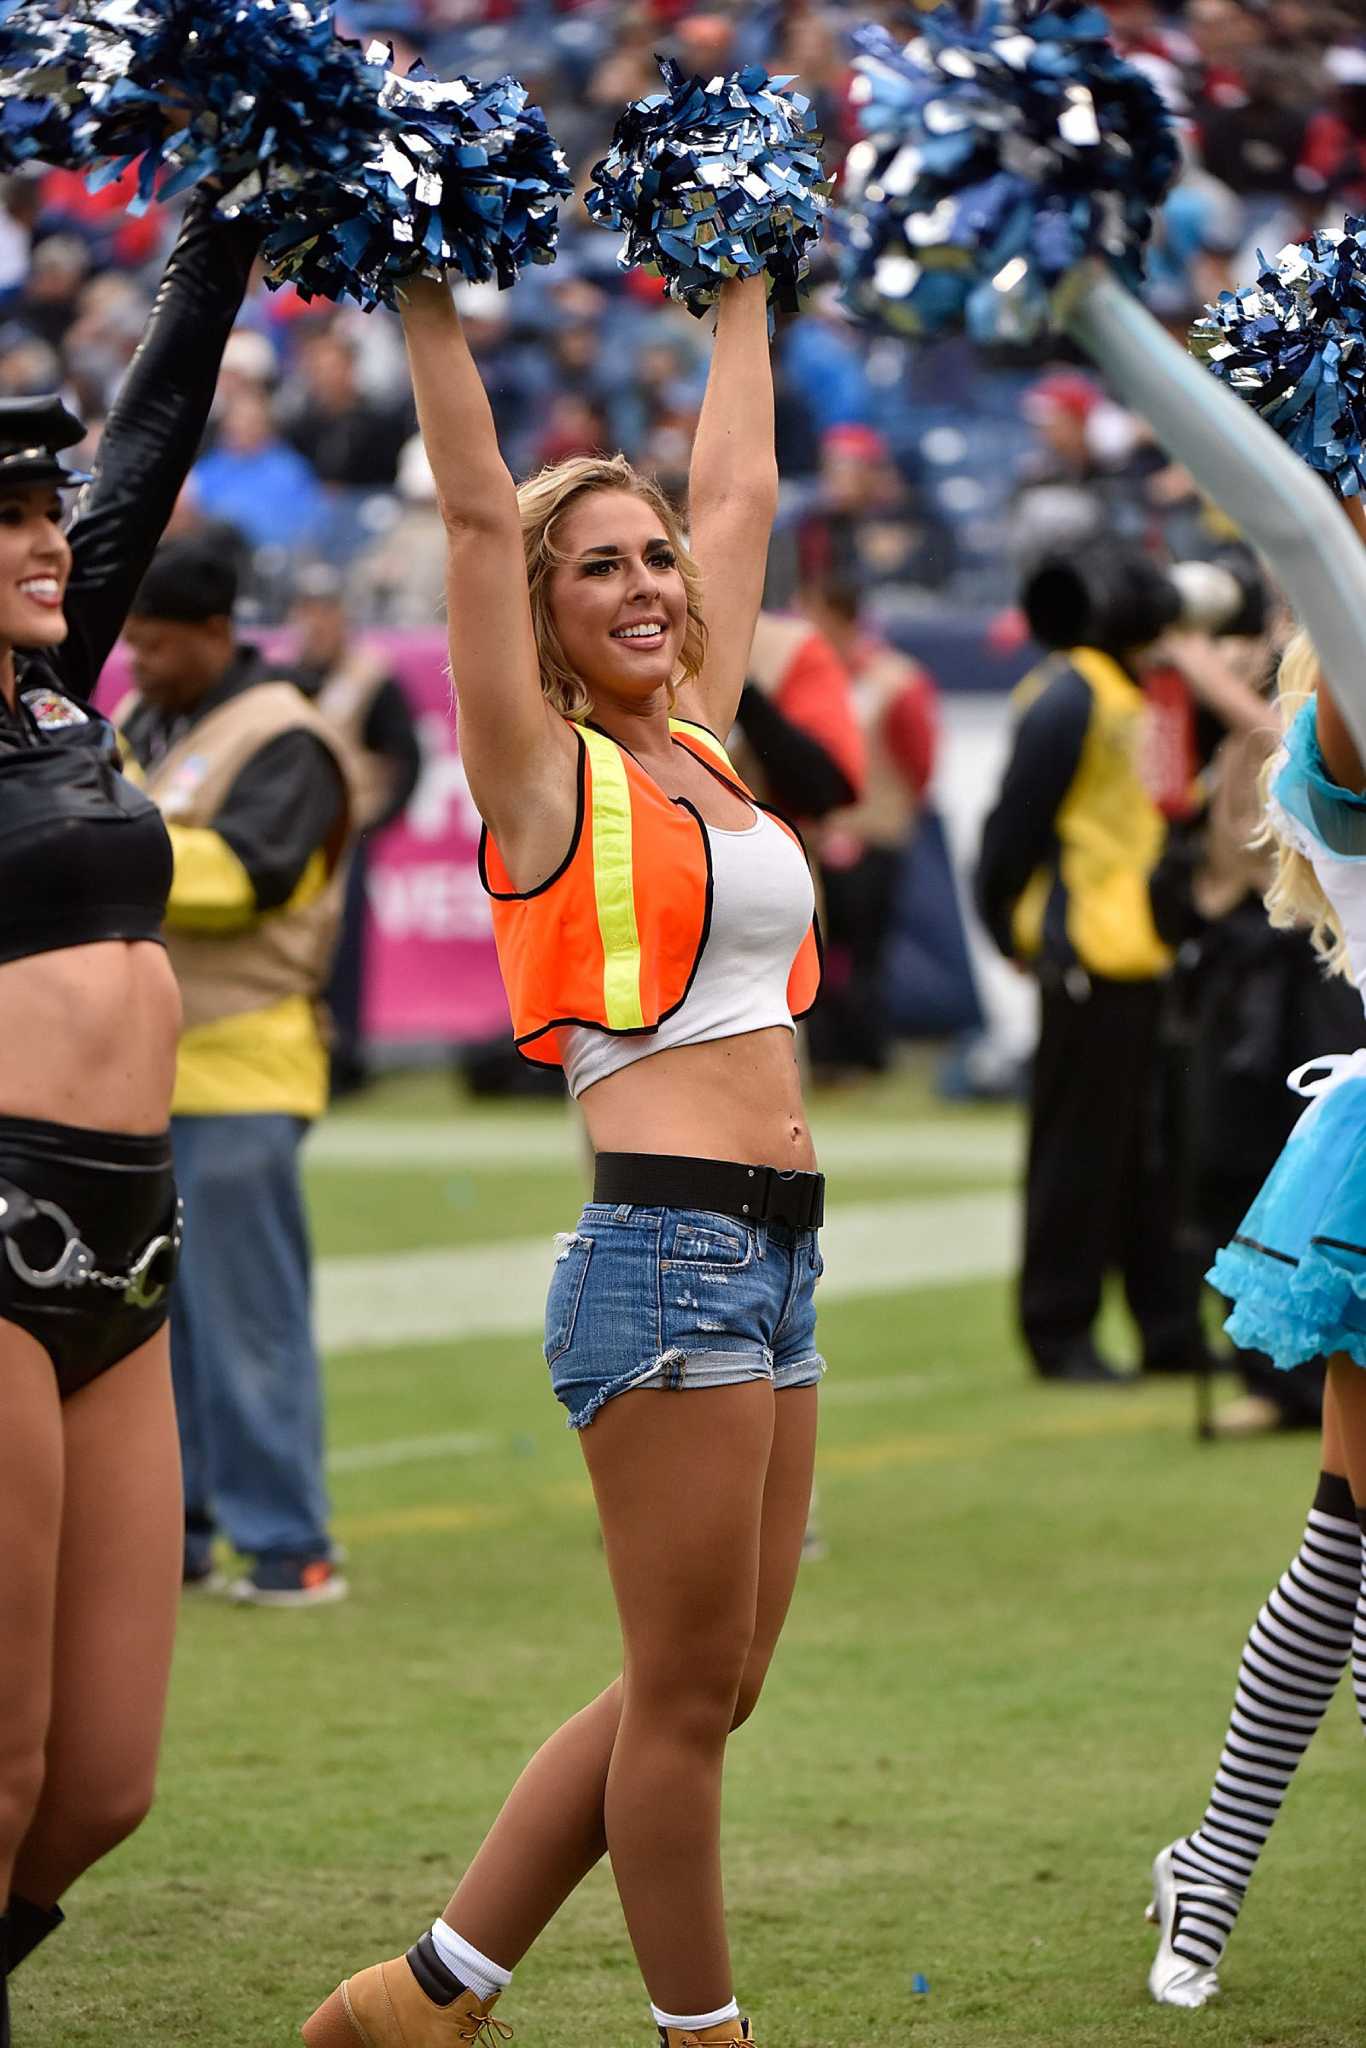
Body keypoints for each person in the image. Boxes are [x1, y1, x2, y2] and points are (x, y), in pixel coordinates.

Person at [301, 267, 823, 2048]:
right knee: (682, 1700)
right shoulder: (537, 775)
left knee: (717, 1681)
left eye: (654, 557)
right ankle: (703, 2034)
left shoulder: (699, 733)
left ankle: (427, 1989)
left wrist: (744, 278)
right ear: (541, 605)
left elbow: (742, 494)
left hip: (776, 1258)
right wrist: (426, 289)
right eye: (599, 563)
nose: (650, 584)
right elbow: (466, 503)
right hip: (665, 1256)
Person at [0, 189, 259, 2040]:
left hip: (136, 1238)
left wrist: (234, 208)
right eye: (5, 522)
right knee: (0, 1757)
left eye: (39, 515)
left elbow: (153, 436)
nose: (45, 541)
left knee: (99, 1784)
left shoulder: (49, 684)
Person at [117, 537, 353, 1608]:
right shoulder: (139, 726)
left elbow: (254, 876)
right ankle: (182, 1530)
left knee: (246, 1321)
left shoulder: (287, 737)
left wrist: (109, 842)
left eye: (155, 642)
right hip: (139, 1069)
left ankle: (288, 1542)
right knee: (151, 1327)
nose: (135, 658)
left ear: (216, 634)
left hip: (248, 1061)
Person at [974, 540, 1207, 1385]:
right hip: (1088, 955)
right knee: (1078, 1152)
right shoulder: (1073, 694)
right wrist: (1009, 929)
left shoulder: (1140, 692)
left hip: (1144, 951)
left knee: (1154, 1152)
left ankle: (1168, 1324)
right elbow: (1013, 829)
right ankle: (1059, 1329)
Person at [282, 563, 422, 1097]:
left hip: (345, 835)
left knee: (343, 948)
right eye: (307, 613)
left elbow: (405, 759)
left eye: (325, 612)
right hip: (292, 838)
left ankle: (346, 1058)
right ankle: (302, 1051)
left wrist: (378, 822)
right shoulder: (287, 679)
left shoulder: (371, 679)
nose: (316, 625)